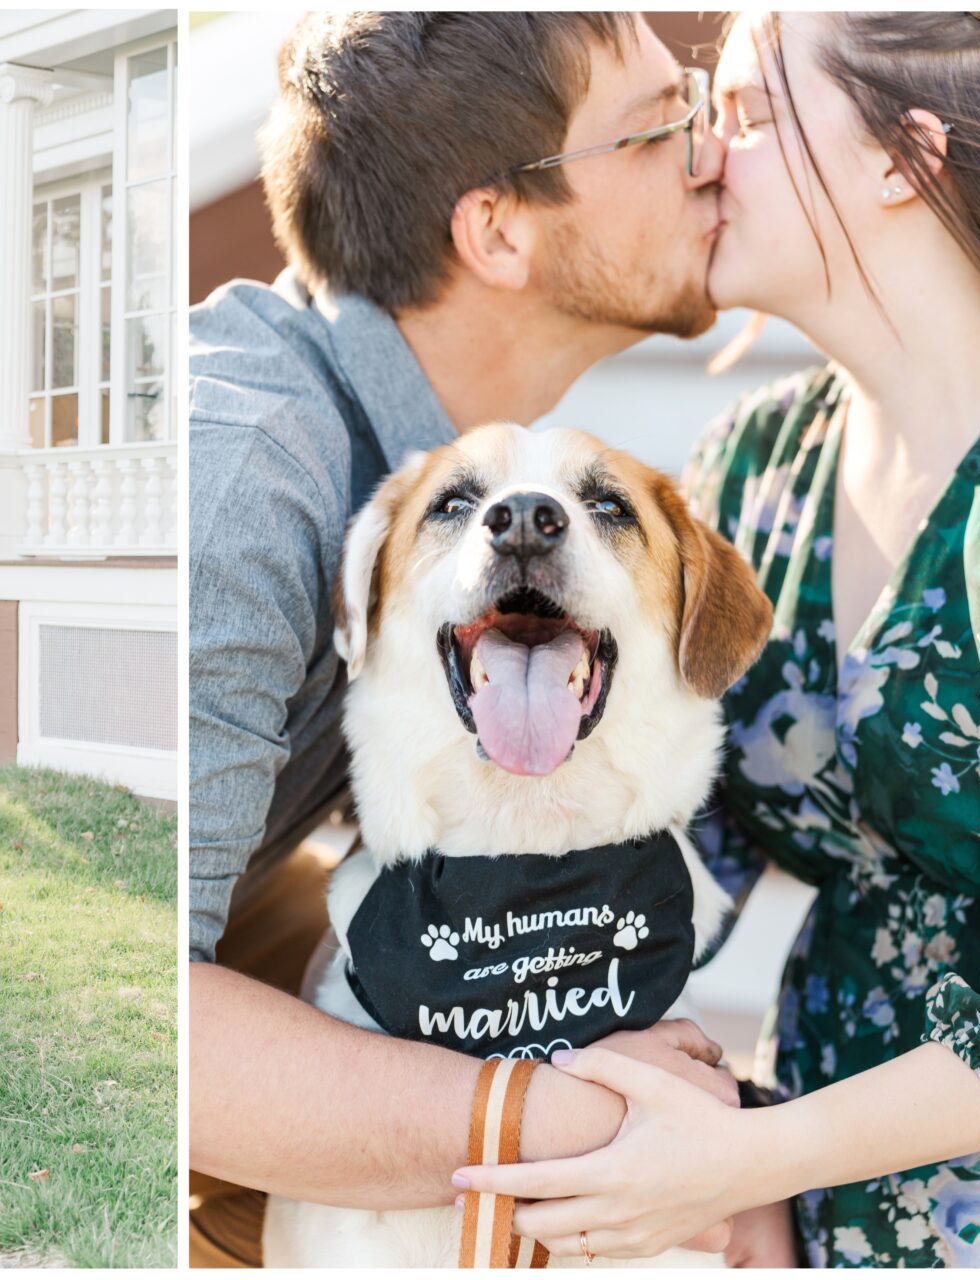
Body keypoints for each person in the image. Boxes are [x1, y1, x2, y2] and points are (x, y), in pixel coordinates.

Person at [451, 11, 980, 1266]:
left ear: (905, 159)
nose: (703, 154)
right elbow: (670, 848)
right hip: (781, 1181)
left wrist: (746, 1158)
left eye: (752, 114)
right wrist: (696, 1114)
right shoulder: (760, 465)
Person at [186, 12, 756, 1266]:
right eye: (667, 127)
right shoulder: (238, 492)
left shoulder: (439, 474)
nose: (715, 155)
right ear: (497, 228)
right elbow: (115, 1005)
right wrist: (553, 1112)